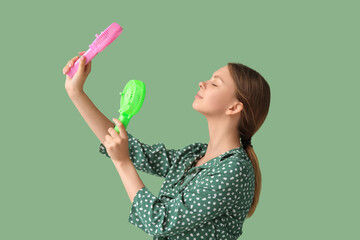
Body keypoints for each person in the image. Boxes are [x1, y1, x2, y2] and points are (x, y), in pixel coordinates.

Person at [63, 52, 270, 239]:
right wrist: (76, 92)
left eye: (215, 84)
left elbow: (161, 222)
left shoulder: (235, 170)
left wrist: (122, 163)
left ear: (234, 107)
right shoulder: (194, 154)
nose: (202, 83)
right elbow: (130, 149)